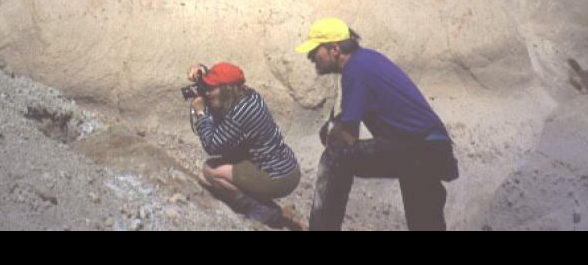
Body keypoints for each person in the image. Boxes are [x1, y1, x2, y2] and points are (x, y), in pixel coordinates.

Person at [295, 17, 459, 231]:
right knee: (425, 222)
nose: (310, 57)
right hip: (431, 147)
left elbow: (348, 136)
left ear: (334, 49)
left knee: (335, 157)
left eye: (315, 50)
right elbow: (356, 113)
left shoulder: (355, 71)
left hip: (417, 148)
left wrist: (331, 134)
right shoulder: (366, 60)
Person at [187, 62, 301, 227]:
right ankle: (265, 204)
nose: (207, 92)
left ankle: (262, 210)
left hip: (278, 176)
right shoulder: (248, 96)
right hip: (285, 166)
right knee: (229, 158)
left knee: (211, 170)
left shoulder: (240, 113)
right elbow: (223, 79)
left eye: (210, 88)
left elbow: (211, 145)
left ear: (226, 90)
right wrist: (203, 71)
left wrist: (201, 113)